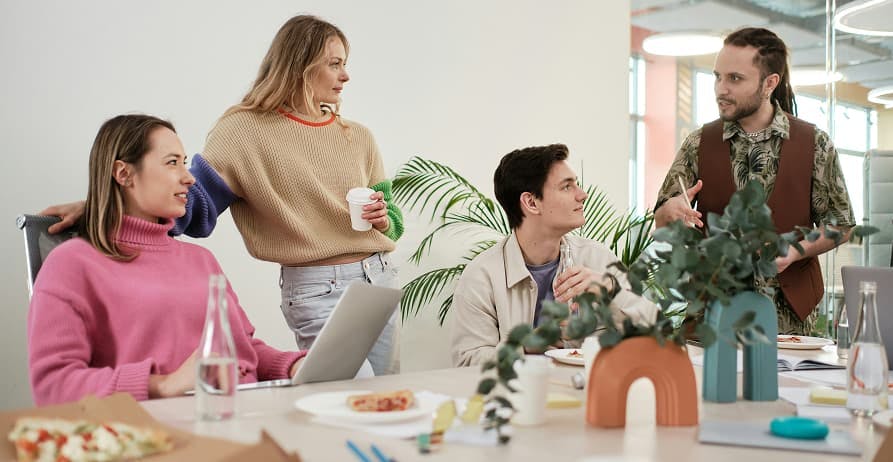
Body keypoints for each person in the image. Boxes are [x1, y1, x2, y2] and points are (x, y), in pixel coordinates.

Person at [42, 15, 403, 375]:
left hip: (378, 276)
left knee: (388, 398)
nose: (345, 75)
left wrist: (385, 219)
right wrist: (105, 205)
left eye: (345, 64)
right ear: (300, 66)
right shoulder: (243, 132)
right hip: (317, 288)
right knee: (344, 396)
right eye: (334, 64)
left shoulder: (358, 136)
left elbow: (393, 225)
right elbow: (191, 204)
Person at [28, 115, 307, 405]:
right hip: (157, 432)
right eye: (172, 163)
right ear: (123, 174)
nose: (189, 177)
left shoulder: (201, 260)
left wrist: (293, 365)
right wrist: (163, 385)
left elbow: (240, 350)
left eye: (185, 163)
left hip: (241, 414)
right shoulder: (72, 264)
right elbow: (53, 385)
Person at [653, 27, 855, 335]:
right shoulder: (698, 143)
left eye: (735, 78)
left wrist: (794, 252)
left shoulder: (815, 144)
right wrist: (671, 211)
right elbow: (663, 217)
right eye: (717, 77)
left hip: (790, 325)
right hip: (712, 317)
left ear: (769, 84)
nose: (721, 89)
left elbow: (840, 225)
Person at [450, 144, 659, 367]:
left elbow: (655, 332)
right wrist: (525, 347)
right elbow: (467, 362)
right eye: (567, 187)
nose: (583, 195)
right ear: (531, 202)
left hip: (584, 394)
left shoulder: (598, 259)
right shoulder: (482, 276)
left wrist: (611, 289)